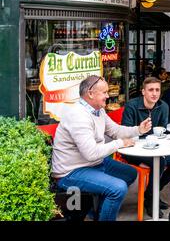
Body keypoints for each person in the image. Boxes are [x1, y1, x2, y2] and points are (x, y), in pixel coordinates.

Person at [51, 75, 152, 221]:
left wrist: (138, 130)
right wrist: (120, 143)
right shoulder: (79, 116)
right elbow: (91, 153)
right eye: (104, 92)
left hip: (93, 163)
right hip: (71, 172)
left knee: (130, 174)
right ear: (90, 94)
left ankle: (99, 212)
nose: (107, 96)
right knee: (118, 188)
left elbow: (115, 131)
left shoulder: (98, 110)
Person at [121, 77, 170, 218]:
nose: (154, 93)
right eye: (151, 90)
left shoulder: (163, 106)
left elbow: (163, 131)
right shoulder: (131, 106)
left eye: (157, 90)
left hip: (156, 148)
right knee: (160, 163)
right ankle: (151, 201)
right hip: (133, 149)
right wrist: (140, 131)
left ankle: (151, 194)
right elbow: (126, 132)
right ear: (143, 91)